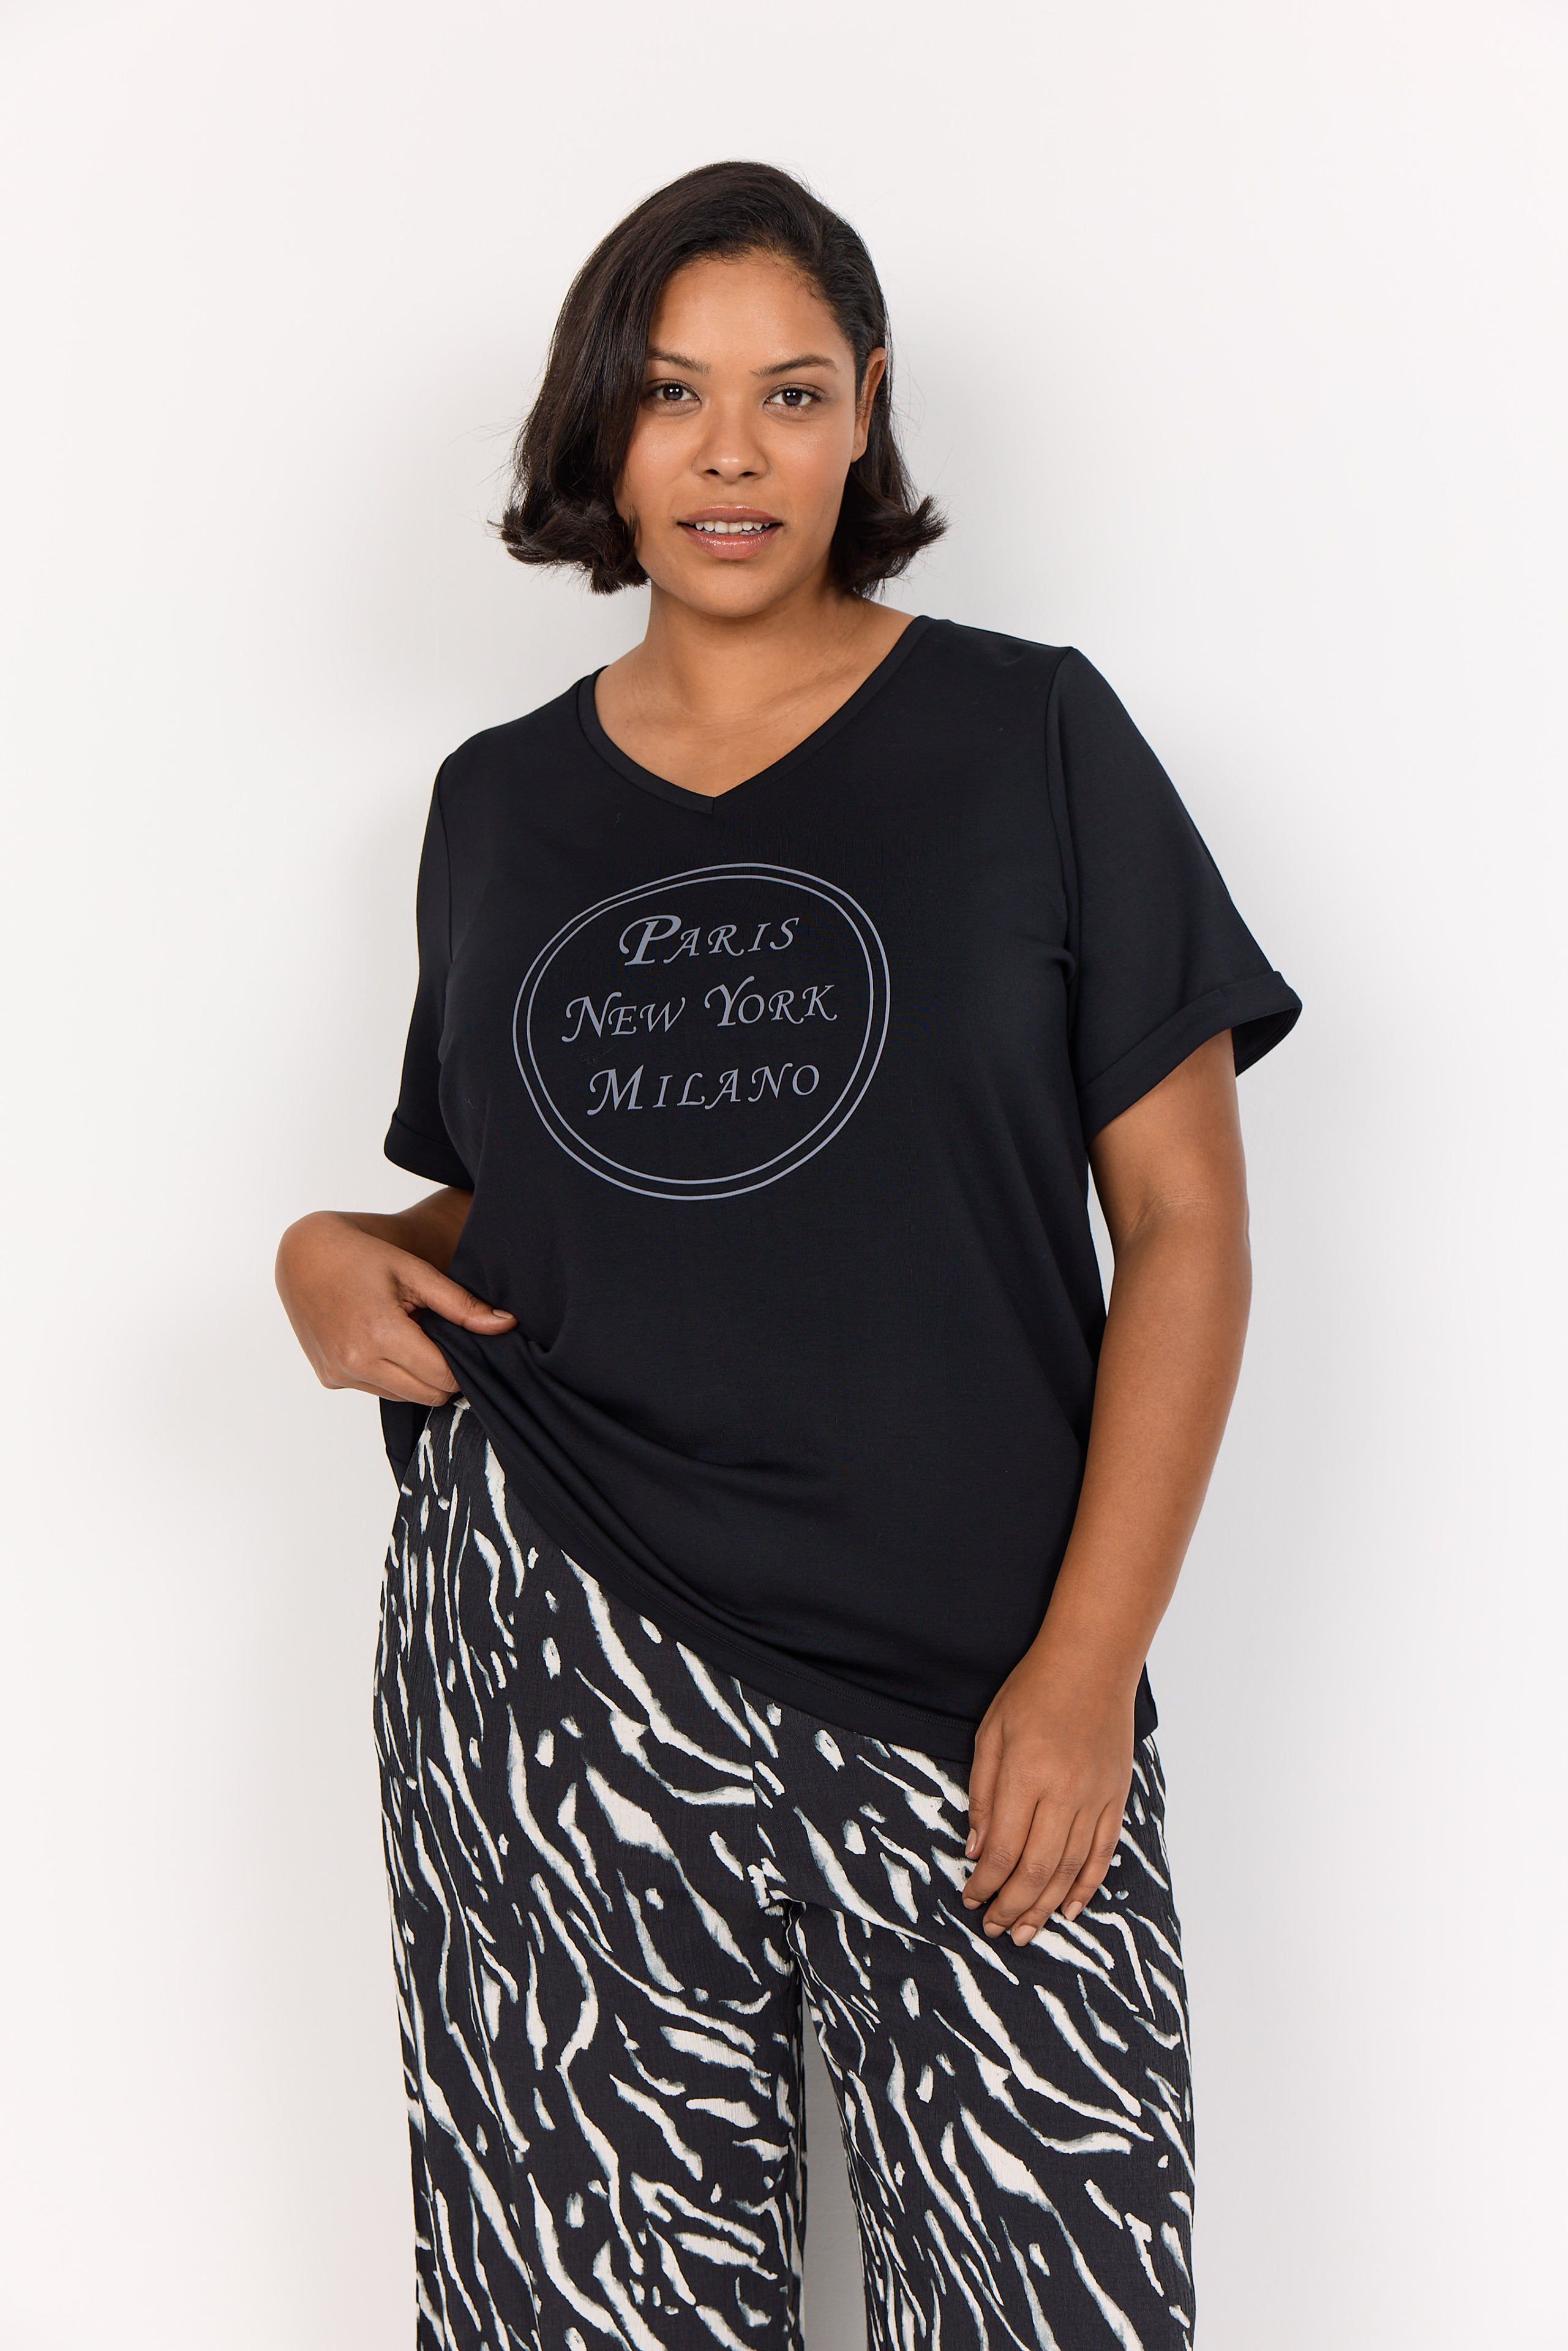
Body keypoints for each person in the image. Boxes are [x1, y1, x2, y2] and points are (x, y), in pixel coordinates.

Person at [276, 159, 1299, 2351]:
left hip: (971, 1680)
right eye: (671, 395)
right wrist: (329, 1247)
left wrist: (1085, 1665)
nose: (729, 454)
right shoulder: (494, 803)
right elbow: (566, 1194)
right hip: (556, 1659)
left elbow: (1187, 1226)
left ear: (867, 411)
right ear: (601, 425)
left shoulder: (1032, 736)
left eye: (789, 393)